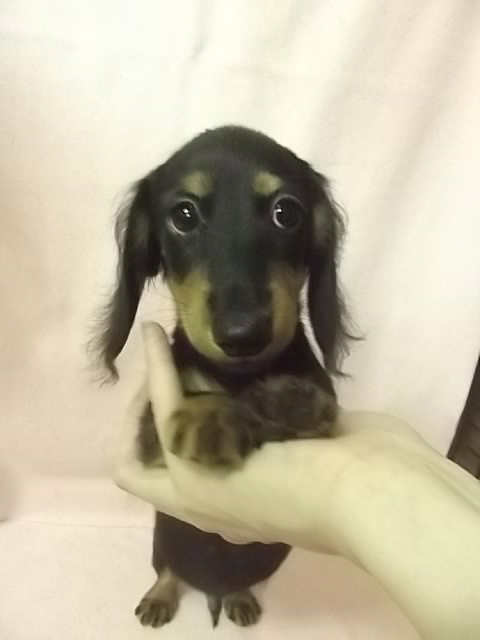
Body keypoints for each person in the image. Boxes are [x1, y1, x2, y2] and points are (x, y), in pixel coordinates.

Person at [114, 323, 480, 640]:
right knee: (174, 530)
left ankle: (237, 588)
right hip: (182, 532)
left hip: (262, 534)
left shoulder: (297, 365)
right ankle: (167, 580)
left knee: (256, 543)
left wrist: (352, 486)